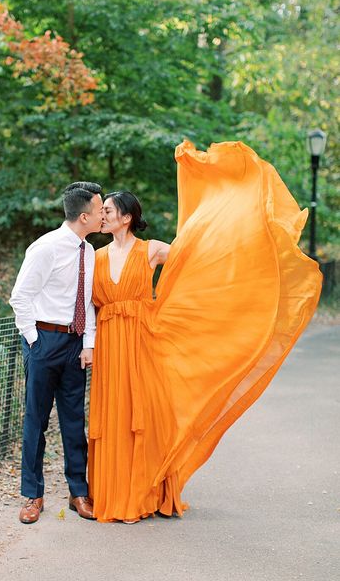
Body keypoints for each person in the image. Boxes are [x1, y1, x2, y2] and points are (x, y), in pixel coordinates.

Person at [88, 140, 322, 524]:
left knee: (143, 415)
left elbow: (197, 255)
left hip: (143, 341)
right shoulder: (93, 257)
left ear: (125, 217)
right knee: (113, 414)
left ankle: (145, 489)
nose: (102, 217)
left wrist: (240, 231)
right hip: (111, 342)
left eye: (108, 211)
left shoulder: (151, 251)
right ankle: (112, 492)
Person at [10, 181, 103, 524]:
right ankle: (33, 495)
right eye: (99, 210)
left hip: (75, 345)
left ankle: (78, 490)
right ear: (83, 216)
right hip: (44, 342)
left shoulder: (88, 251)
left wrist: (88, 343)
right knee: (36, 420)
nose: (103, 215)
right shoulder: (45, 248)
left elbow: (87, 302)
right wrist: (34, 341)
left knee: (74, 420)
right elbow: (19, 296)